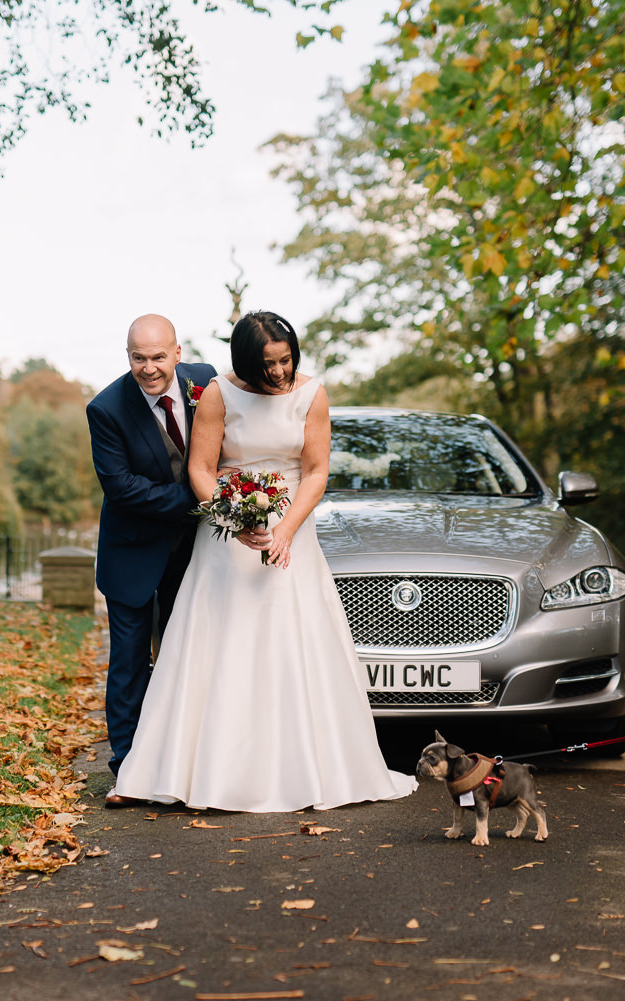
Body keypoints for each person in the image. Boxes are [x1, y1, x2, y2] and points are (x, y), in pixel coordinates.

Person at [112, 311, 418, 811]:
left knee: (291, 645)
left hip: (293, 528)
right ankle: (207, 772)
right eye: (266, 365)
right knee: (222, 649)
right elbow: (200, 468)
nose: (278, 373)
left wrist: (285, 532)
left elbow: (316, 471)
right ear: (244, 363)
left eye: (285, 360)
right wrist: (233, 518)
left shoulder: (312, 394)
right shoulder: (218, 393)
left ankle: (301, 770)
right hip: (227, 541)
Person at [86, 314, 219, 802]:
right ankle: (128, 770)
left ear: (177, 353)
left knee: (188, 655)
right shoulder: (106, 409)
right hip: (132, 554)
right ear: (128, 356)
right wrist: (204, 499)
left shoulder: (205, 382)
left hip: (196, 553)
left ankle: (185, 763)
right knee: (129, 663)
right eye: (138, 358)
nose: (148, 368)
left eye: (158, 356)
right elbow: (122, 489)